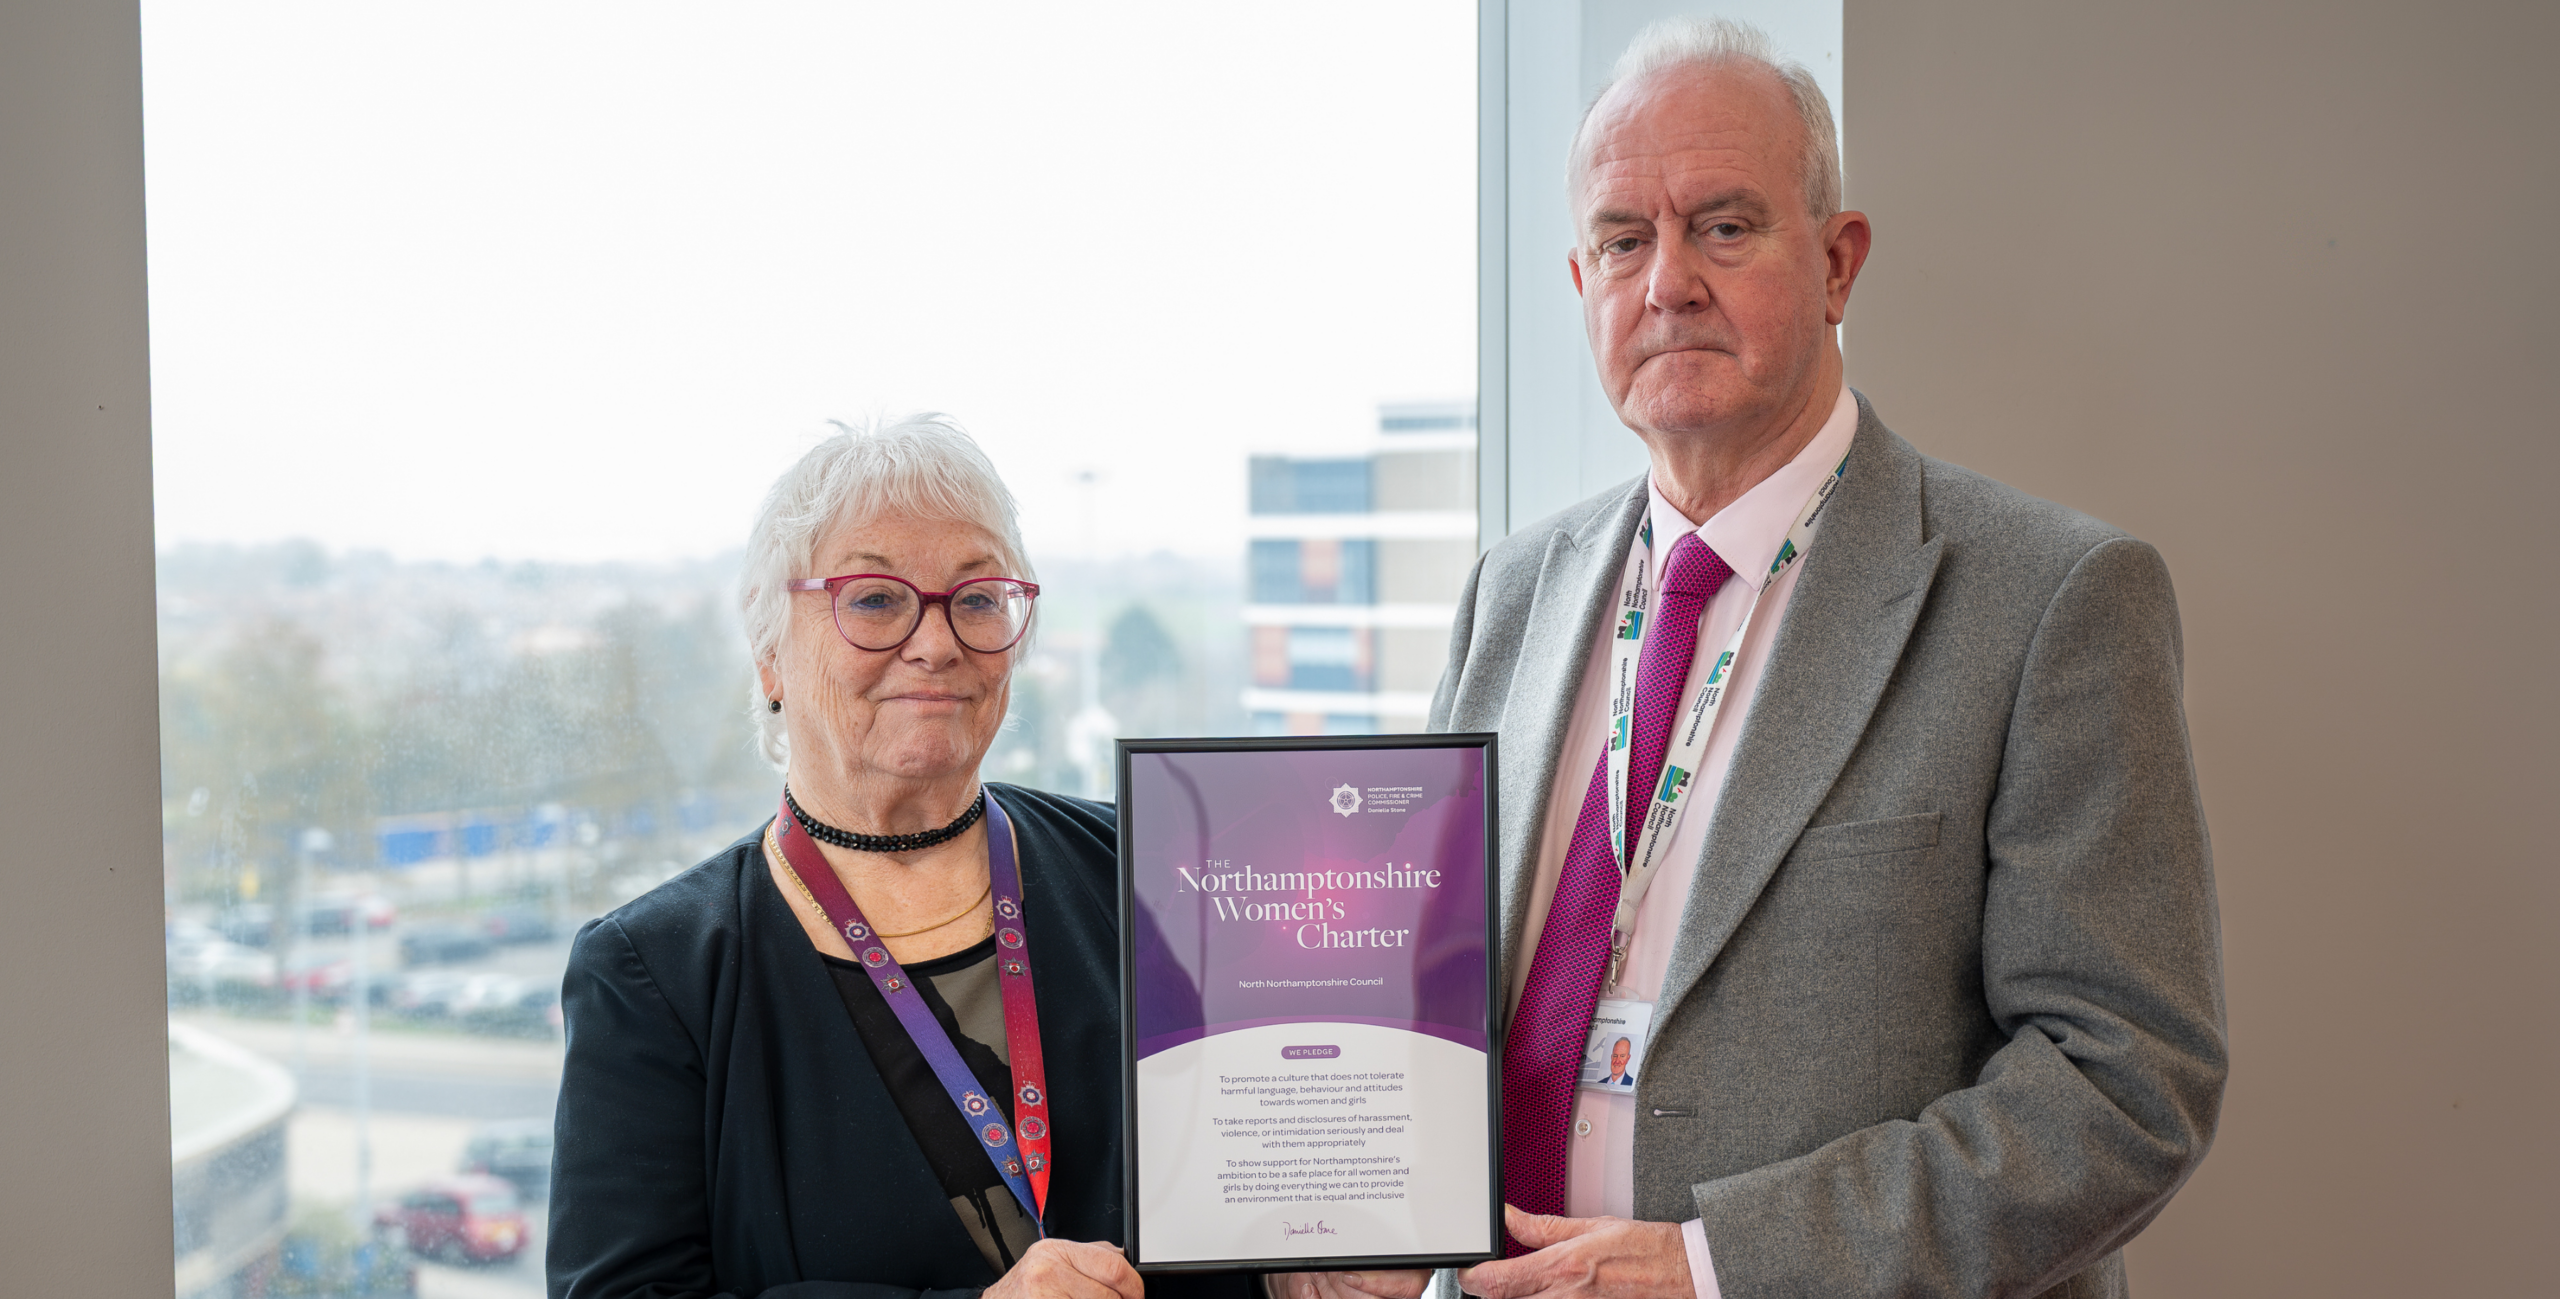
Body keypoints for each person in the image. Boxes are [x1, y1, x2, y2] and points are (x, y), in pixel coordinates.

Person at [1423, 18, 2227, 1299]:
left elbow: (2123, 1078)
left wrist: (1713, 1266)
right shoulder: (1511, 593)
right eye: (1623, 240)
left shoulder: (2049, 598)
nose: (1667, 281)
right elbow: (1429, 989)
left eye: (1724, 227)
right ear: (1581, 287)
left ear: (1839, 262)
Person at [547, 415, 1261, 1299]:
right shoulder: (654, 974)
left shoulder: (1159, 871)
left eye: (976, 598)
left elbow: (1246, 1205)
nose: (936, 641)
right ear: (770, 655)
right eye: (877, 598)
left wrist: (1312, 1271)